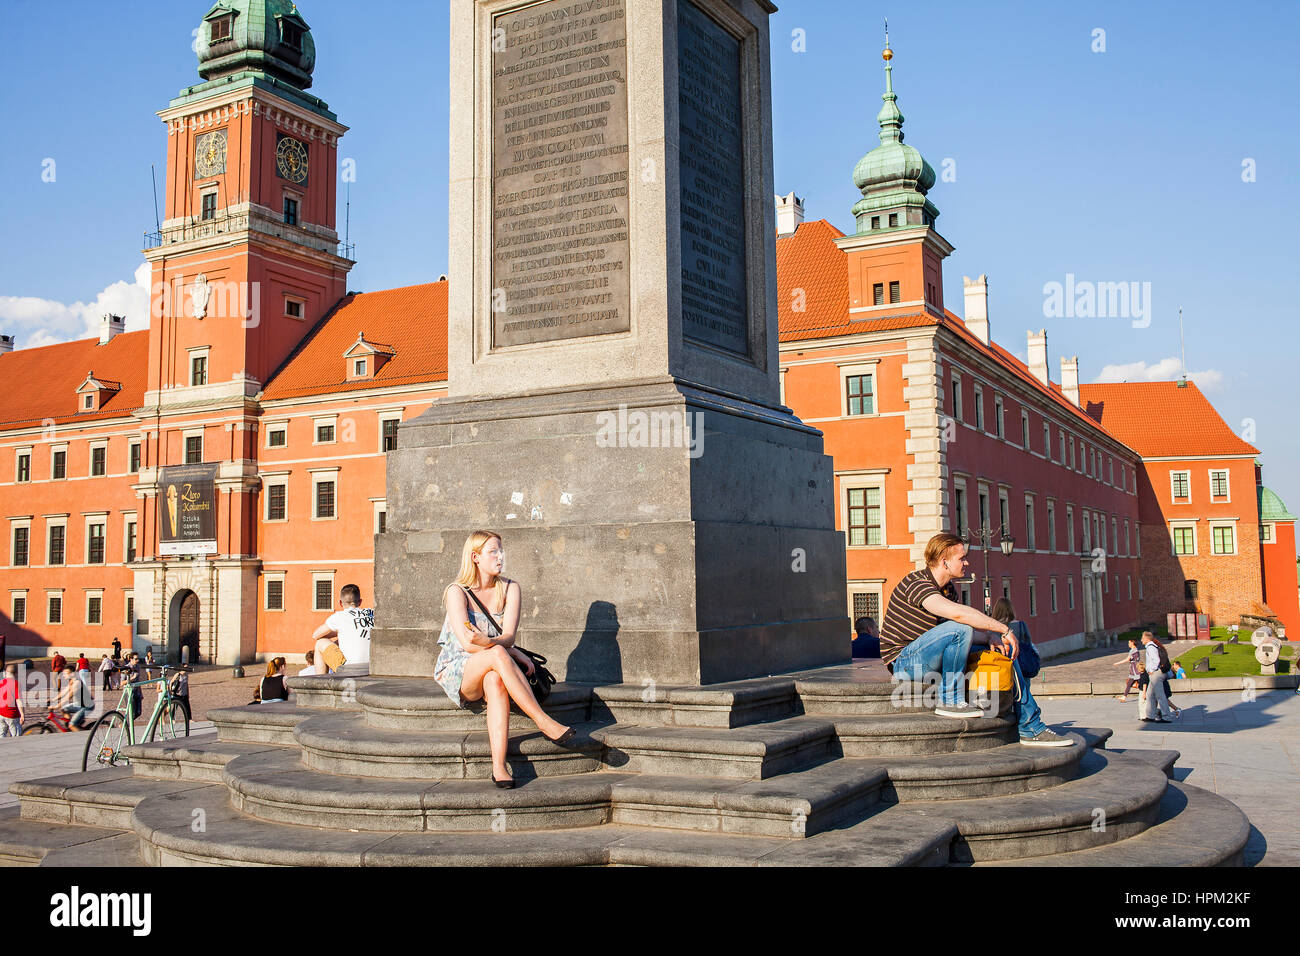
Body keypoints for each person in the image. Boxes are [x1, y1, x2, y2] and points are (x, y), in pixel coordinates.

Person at [880, 532, 1072, 746]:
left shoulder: (948, 590)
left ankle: (1031, 725)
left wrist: (994, 637)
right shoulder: (916, 583)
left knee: (1001, 648)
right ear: (944, 561)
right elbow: (959, 618)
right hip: (904, 664)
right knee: (960, 627)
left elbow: (960, 631)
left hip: (934, 657)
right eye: (961, 558)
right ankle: (950, 699)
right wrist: (1003, 628)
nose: (967, 562)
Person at [435, 531, 576, 788]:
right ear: (475, 557)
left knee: (495, 681)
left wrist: (504, 647)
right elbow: (467, 643)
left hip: (493, 665)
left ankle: (498, 766)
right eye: (493, 552)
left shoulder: (510, 588)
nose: (500, 556)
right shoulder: (457, 592)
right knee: (498, 654)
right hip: (459, 668)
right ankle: (542, 720)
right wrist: (508, 651)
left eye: (501, 550)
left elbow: (509, 636)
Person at [311, 584, 373, 675]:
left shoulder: (339, 617)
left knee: (320, 643)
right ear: (360, 602)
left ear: (340, 603)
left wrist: (340, 631)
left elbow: (316, 635)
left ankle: (320, 680)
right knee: (341, 639)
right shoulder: (372, 613)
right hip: (372, 667)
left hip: (350, 669)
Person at [1140, 631, 1173, 723]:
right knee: (1149, 694)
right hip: (1155, 674)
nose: (1141, 640)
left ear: (1147, 638)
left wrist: (1151, 670)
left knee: (1160, 696)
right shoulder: (1153, 646)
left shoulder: (1150, 647)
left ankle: (1166, 716)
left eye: (1142, 638)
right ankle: (1150, 715)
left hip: (1156, 674)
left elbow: (1156, 660)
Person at [55, 666, 92, 730]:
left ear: (72, 674)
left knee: (71, 725)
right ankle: (75, 722)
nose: (63, 675)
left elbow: (68, 696)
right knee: (63, 709)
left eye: (65, 673)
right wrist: (53, 699)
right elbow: (64, 692)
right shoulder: (71, 681)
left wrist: (57, 705)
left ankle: (78, 735)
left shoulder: (77, 682)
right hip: (79, 704)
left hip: (87, 706)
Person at [0, 663, 24, 737]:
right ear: (15, 673)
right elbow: (18, 700)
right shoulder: (16, 684)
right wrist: (22, 714)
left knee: (2, 734)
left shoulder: (1, 682)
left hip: (1, 713)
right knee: (16, 736)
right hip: (12, 714)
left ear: (6, 672)